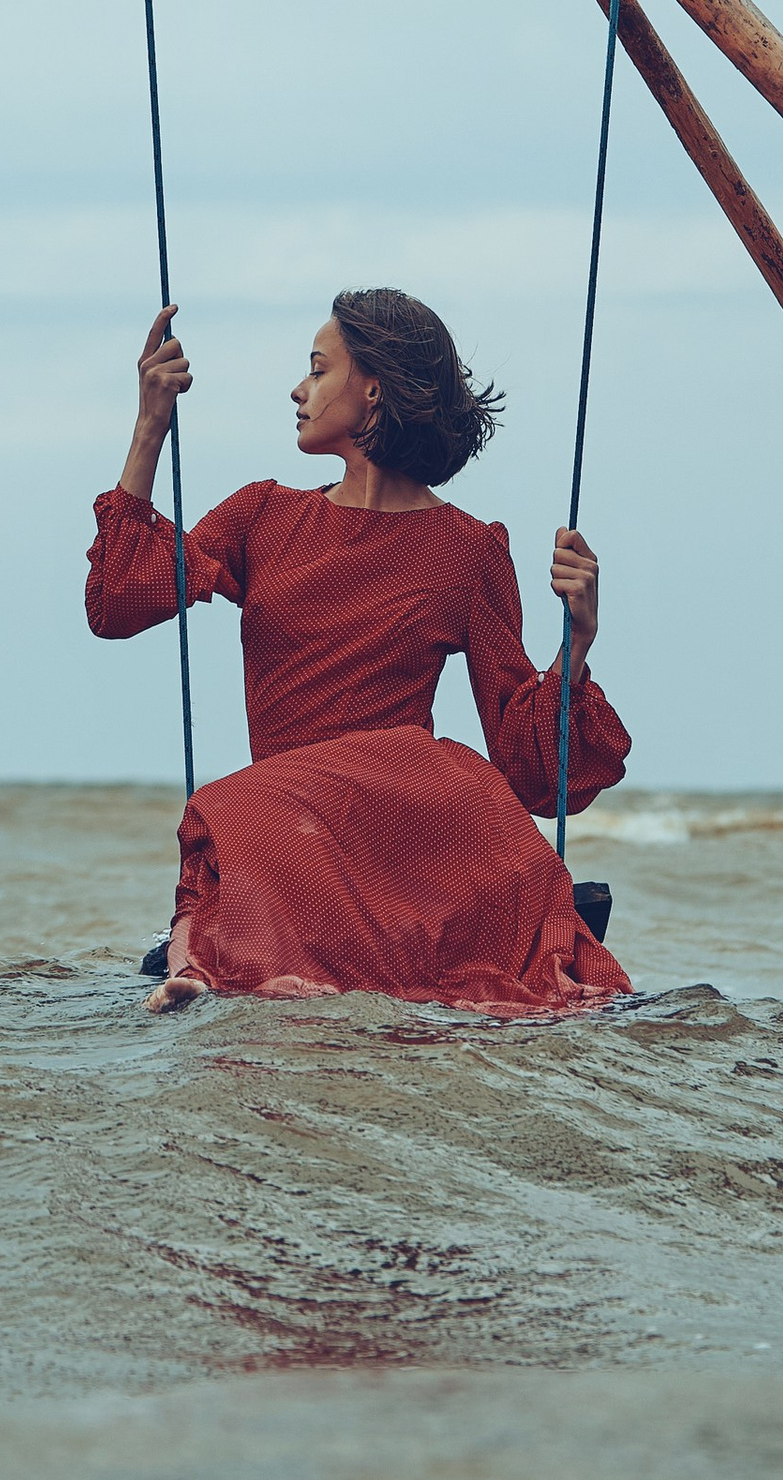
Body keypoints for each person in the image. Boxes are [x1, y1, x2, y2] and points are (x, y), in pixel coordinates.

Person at [86, 288, 631, 1016]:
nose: (297, 389)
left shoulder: (468, 550)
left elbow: (532, 772)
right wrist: (151, 425)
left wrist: (576, 645)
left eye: (317, 369)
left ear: (372, 388)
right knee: (233, 811)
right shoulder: (263, 515)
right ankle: (204, 965)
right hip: (289, 835)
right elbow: (117, 601)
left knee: (226, 806)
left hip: (403, 827)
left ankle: (214, 963)